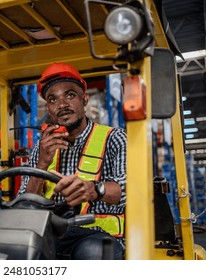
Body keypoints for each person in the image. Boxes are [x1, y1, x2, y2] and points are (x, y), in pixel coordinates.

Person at [19, 62, 127, 260]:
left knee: (91, 253)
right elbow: (25, 205)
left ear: (84, 99)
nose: (62, 105)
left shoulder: (114, 138)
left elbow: (128, 190)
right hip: (52, 234)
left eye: (70, 95)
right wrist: (42, 163)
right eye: (53, 99)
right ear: (49, 108)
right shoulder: (42, 148)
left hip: (100, 236)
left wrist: (94, 190)